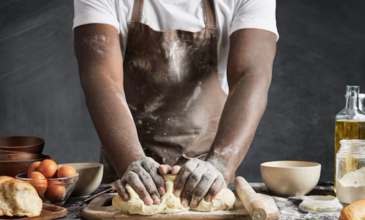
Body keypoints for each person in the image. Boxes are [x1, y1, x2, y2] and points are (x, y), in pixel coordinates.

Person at [73, 0, 278, 208]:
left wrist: (220, 163)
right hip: (127, 173)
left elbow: (251, 75)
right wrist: (131, 162)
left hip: (206, 175)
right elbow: (100, 78)